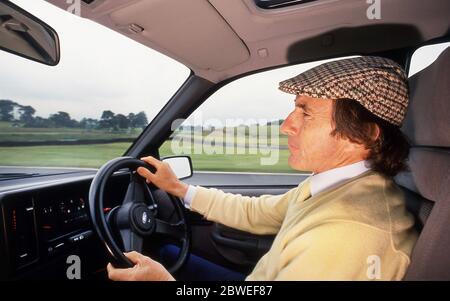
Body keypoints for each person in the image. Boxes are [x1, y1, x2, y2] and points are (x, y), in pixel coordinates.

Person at [107, 56, 418, 281]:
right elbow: (256, 213)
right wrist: (179, 188)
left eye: (305, 113)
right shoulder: (335, 185)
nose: (285, 126)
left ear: (361, 134)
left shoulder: (347, 237)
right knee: (170, 254)